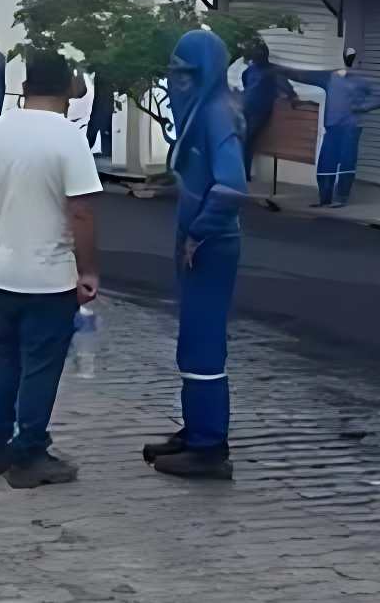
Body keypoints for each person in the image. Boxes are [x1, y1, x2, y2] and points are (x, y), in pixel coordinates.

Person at [0, 50, 101, 490]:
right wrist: (89, 271)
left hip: (0, 268)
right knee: (41, 365)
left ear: (24, 86)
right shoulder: (68, 138)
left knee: (5, 355)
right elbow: (80, 213)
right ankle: (29, 455)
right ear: (68, 87)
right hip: (47, 273)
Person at [143, 30, 247, 480]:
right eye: (173, 75)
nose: (175, 84)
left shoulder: (216, 114)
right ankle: (196, 429)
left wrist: (198, 232)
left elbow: (231, 188)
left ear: (204, 76)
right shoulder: (204, 112)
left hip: (210, 243)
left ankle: (209, 447)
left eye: (185, 76)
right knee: (191, 342)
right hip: (196, 239)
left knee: (203, 344)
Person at [276, 48, 380, 207]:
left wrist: (361, 107)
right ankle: (324, 198)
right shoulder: (329, 77)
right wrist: (280, 69)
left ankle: (341, 198)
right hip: (333, 126)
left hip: (351, 127)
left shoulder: (362, 80)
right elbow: (302, 75)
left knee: (346, 162)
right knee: (326, 162)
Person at [240, 41, 295, 181]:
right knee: (248, 140)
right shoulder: (272, 70)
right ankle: (243, 174)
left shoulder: (249, 70)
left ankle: (241, 173)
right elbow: (288, 90)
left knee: (244, 139)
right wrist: (289, 96)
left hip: (246, 105)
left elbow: (245, 82)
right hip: (259, 109)